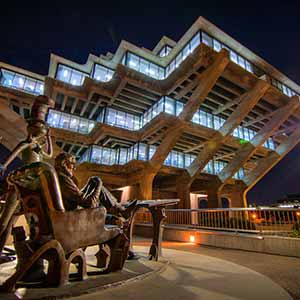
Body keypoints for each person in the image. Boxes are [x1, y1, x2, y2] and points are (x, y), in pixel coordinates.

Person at [0, 95, 54, 261]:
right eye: (39, 131)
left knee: (32, 217)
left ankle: (34, 248)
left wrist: (50, 138)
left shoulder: (37, 148)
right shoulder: (27, 143)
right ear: (31, 130)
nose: (41, 134)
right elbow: (13, 155)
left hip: (35, 181)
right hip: (23, 180)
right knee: (6, 220)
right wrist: (3, 166)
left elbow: (50, 154)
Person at [54, 152, 137, 219]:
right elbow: (89, 204)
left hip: (73, 205)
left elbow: (77, 196)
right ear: (64, 164)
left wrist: (72, 176)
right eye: (72, 164)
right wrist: (99, 185)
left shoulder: (59, 176)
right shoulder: (63, 179)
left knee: (93, 181)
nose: (74, 168)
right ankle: (120, 210)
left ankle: (119, 208)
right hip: (74, 213)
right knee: (98, 184)